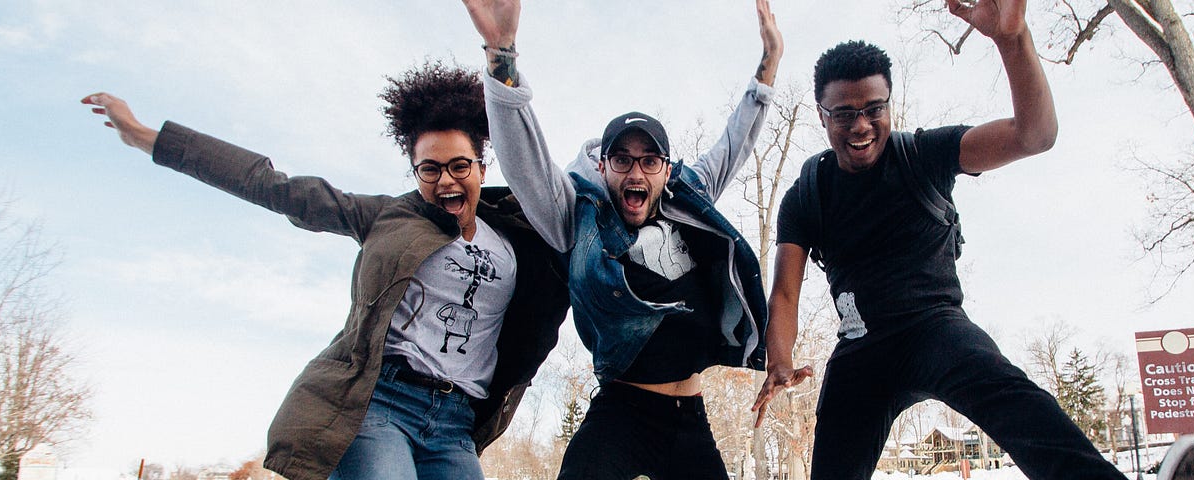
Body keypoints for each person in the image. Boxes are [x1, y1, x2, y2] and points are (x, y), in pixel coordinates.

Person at [80, 61, 570, 480]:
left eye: (460, 166)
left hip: (455, 424)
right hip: (378, 407)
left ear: (482, 168)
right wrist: (147, 137)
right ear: (415, 172)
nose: (446, 180)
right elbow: (271, 186)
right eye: (429, 168)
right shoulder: (386, 217)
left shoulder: (517, 240)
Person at [751, 0, 1132, 479]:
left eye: (874, 109)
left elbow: (1034, 135)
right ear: (822, 115)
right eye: (844, 114)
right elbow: (785, 293)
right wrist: (779, 359)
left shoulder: (922, 155)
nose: (862, 126)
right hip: (861, 349)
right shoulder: (807, 196)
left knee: (1019, 403)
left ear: (889, 103)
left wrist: (1012, 41)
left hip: (936, 330)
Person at [459, 0, 780, 477]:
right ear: (603, 167)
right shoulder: (578, 216)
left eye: (650, 160)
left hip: (690, 419)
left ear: (666, 170)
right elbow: (526, 164)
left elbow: (735, 143)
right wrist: (501, 60)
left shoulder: (689, 194)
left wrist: (768, 65)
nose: (637, 171)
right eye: (623, 159)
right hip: (622, 412)